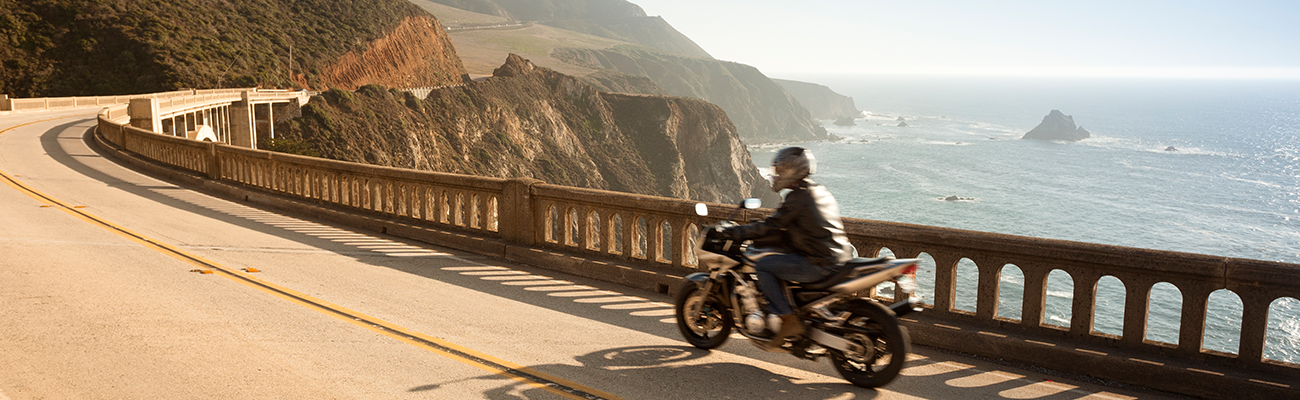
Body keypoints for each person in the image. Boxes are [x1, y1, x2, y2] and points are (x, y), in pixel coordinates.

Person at [723, 147, 854, 348]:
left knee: (764, 266)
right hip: (838, 257)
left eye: (781, 170)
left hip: (817, 262)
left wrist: (737, 232)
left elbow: (772, 224)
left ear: (794, 170)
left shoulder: (799, 197)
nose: (777, 175)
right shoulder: (818, 190)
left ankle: (787, 318)